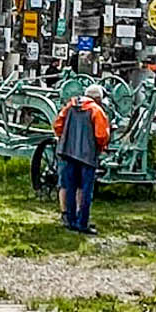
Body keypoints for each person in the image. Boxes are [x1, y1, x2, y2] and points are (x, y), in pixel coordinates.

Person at [51, 82, 110, 235]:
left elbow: (57, 125)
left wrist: (65, 138)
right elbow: (101, 135)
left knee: (70, 187)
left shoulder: (70, 106)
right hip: (87, 156)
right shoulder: (96, 110)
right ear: (98, 99)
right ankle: (82, 223)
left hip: (68, 153)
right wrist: (101, 147)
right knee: (85, 190)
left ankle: (70, 220)